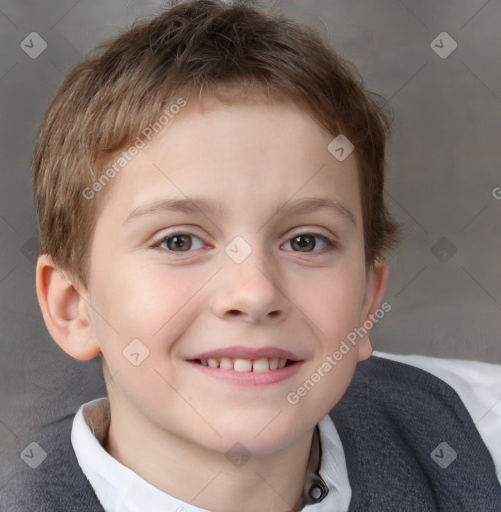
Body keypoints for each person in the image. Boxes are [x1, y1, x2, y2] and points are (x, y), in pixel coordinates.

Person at [29, 0, 501, 510]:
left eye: (305, 241)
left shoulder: (481, 430)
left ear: (367, 302)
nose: (254, 294)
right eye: (179, 241)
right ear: (74, 306)